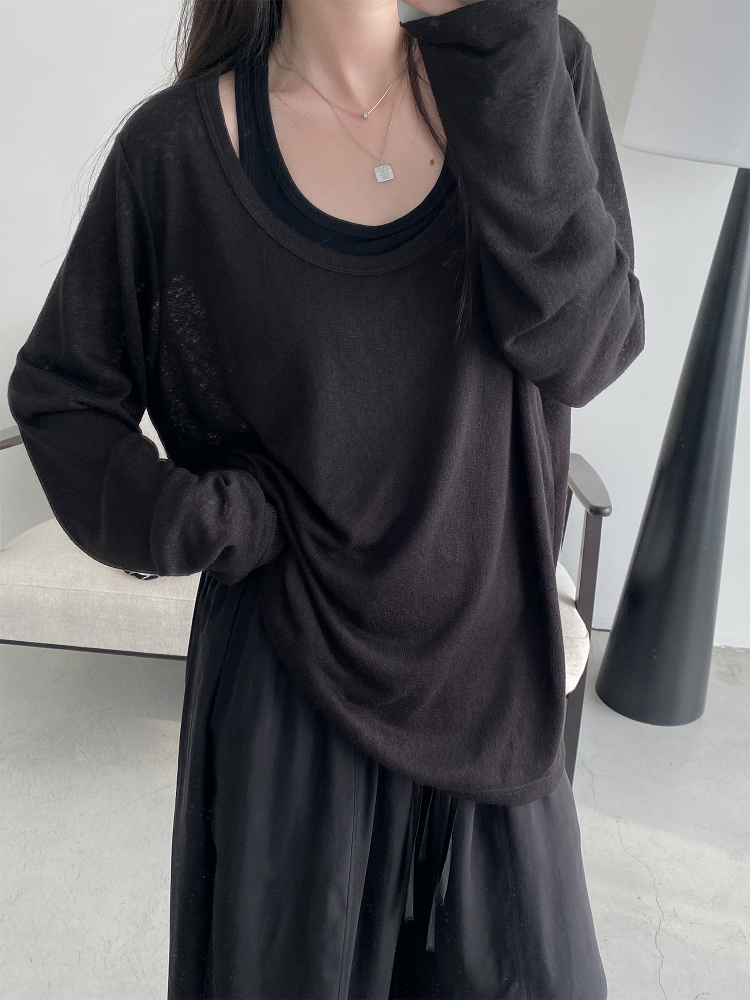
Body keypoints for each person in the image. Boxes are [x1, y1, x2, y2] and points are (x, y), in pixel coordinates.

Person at [7, 0, 645, 996]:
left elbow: (588, 349)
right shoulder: (177, 155)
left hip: (490, 694)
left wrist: (498, 46)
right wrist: (193, 518)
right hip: (287, 705)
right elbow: (63, 395)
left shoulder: (534, 70)